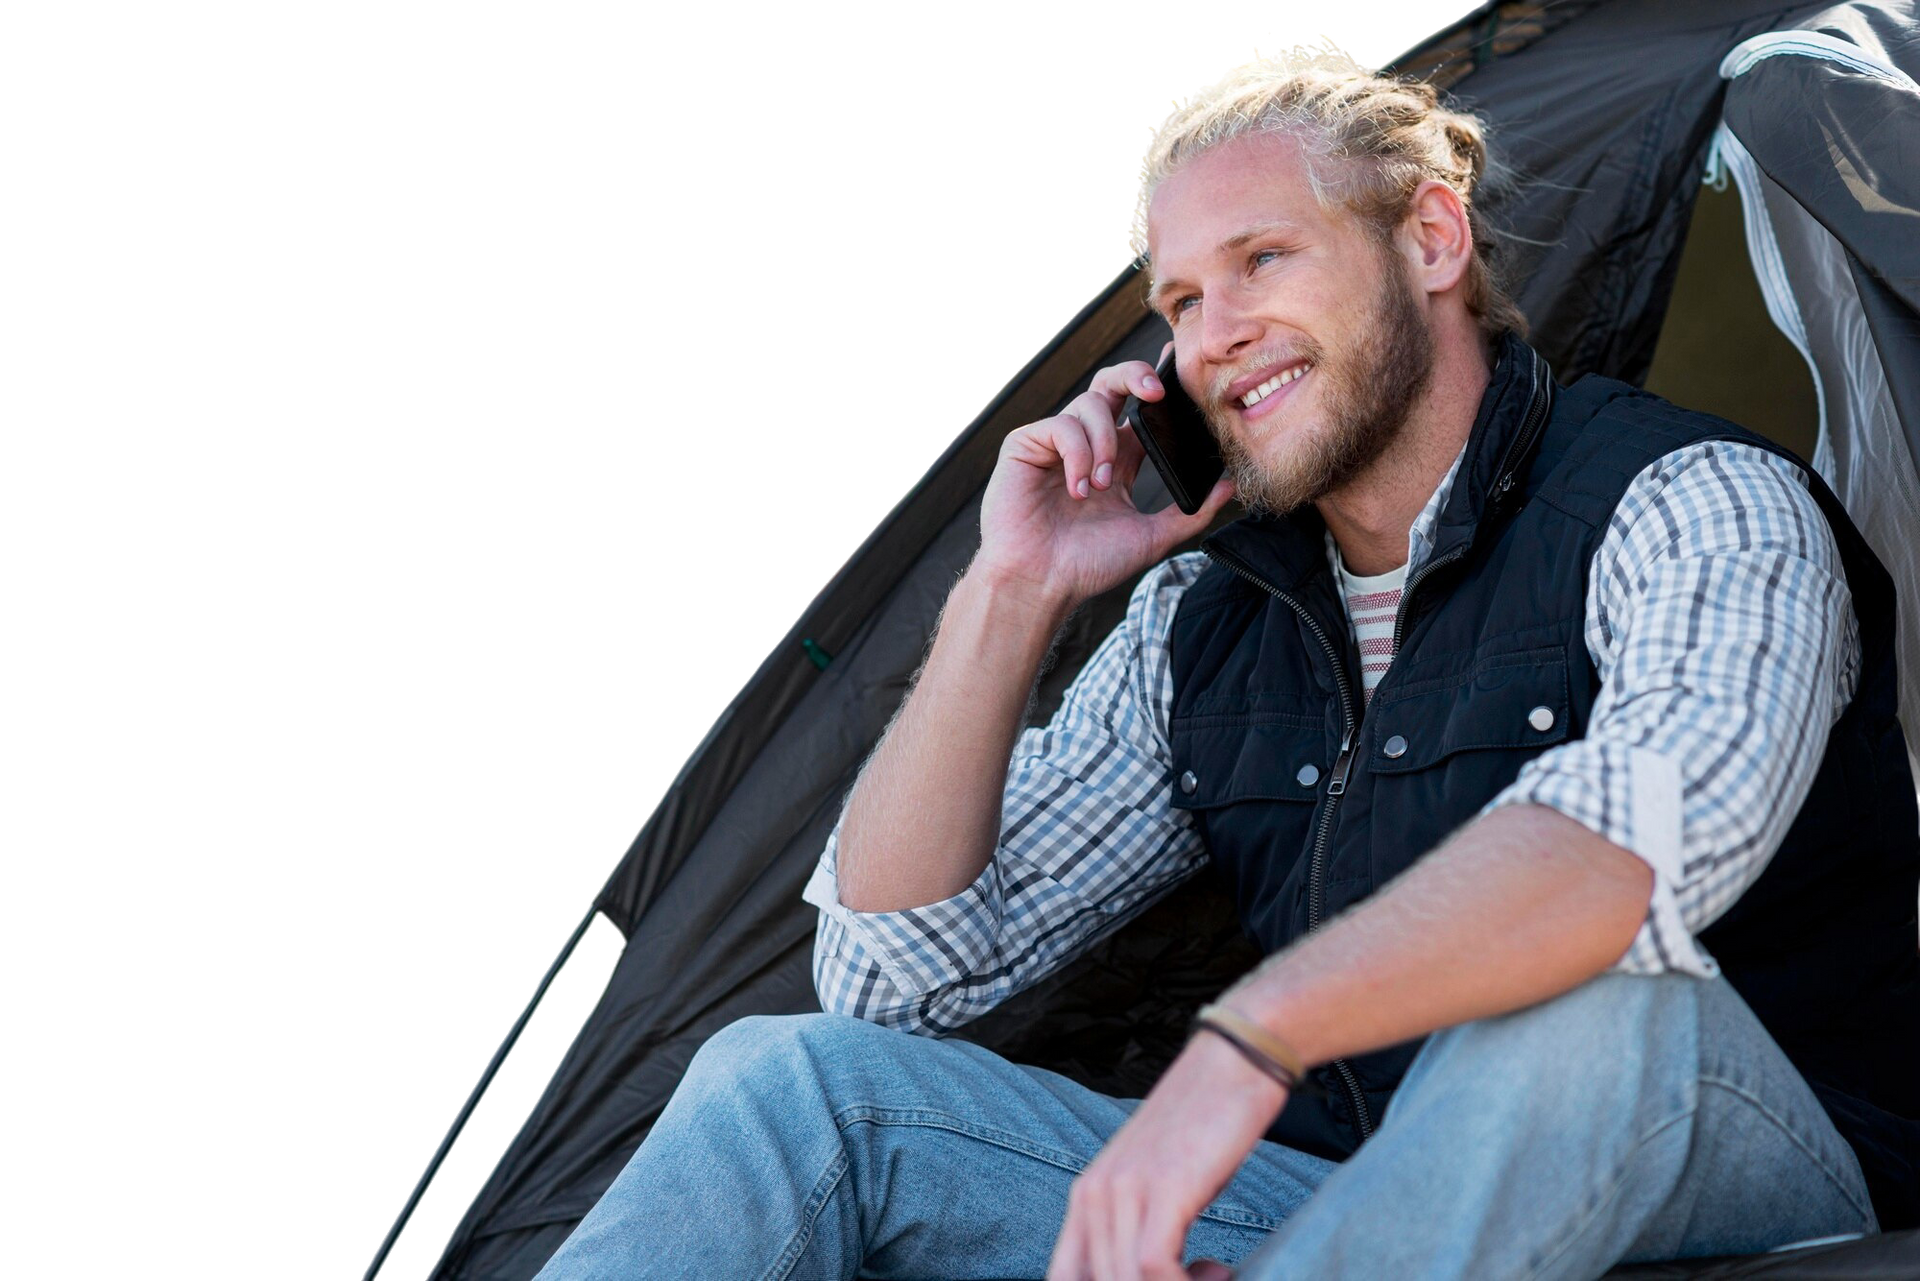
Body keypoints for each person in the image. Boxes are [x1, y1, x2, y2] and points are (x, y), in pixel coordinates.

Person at [538, 35, 1916, 1280]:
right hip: (1362, 1198)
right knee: (792, 1084)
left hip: (1739, 1144)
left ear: (1430, 241)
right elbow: (897, 976)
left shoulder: (1689, 501)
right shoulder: (1208, 621)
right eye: (1180, 301)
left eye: (1263, 260)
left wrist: (1247, 1041)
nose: (1213, 336)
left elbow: (1636, 848)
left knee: (1591, 1024)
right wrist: (1008, 594)